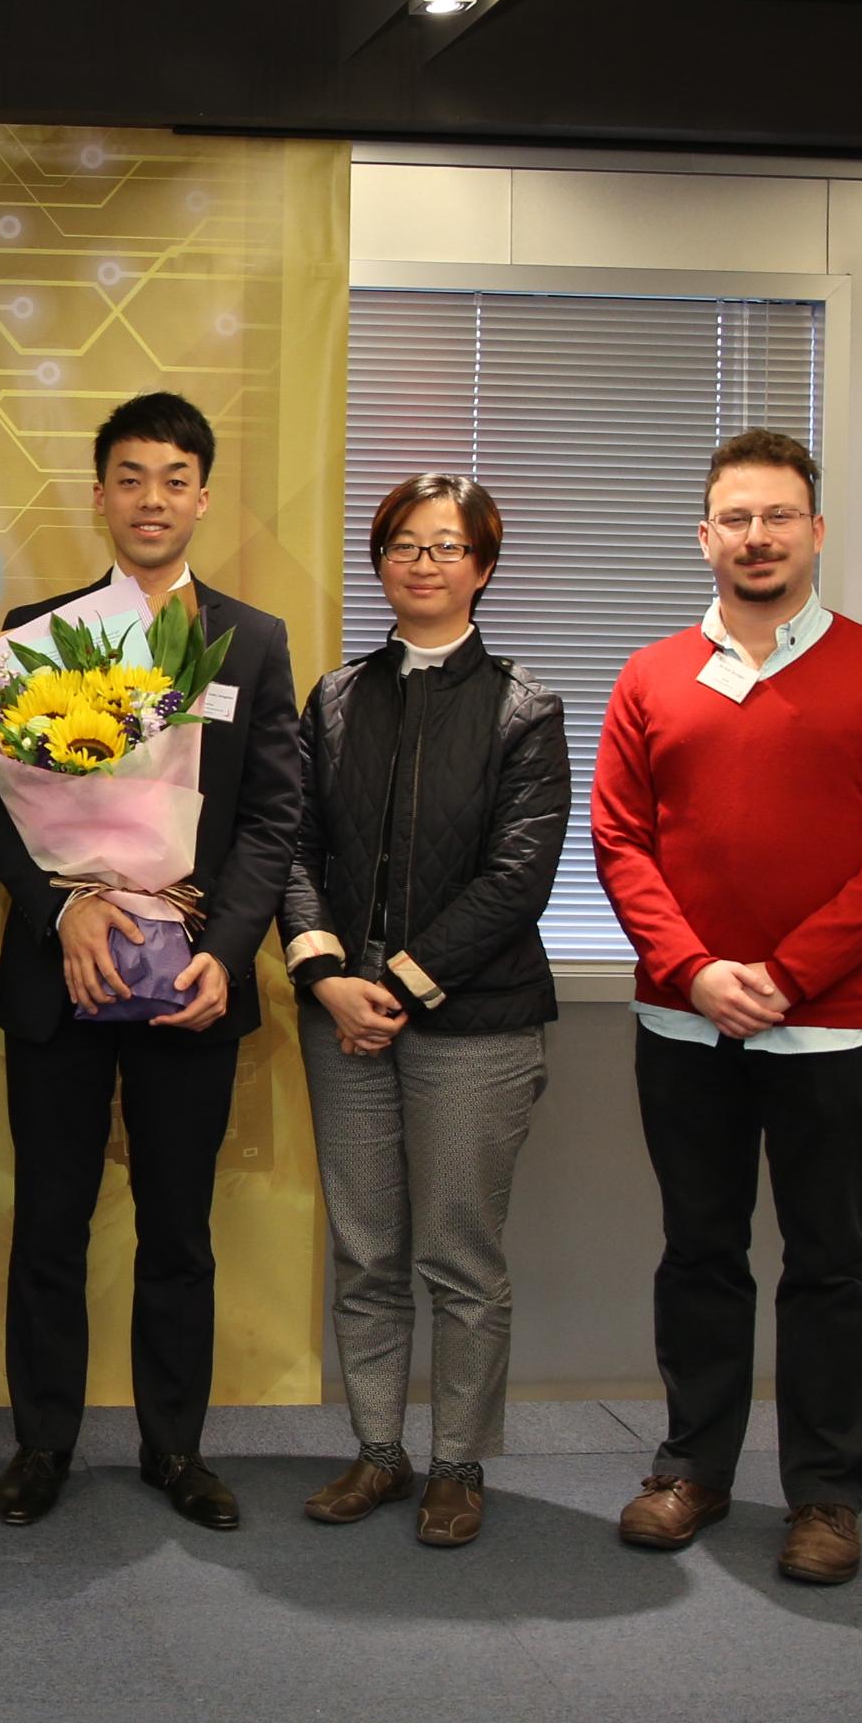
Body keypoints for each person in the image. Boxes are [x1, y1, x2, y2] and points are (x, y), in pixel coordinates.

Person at [591, 429, 862, 1587]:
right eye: (736, 518)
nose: (757, 536)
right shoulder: (650, 675)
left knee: (828, 1260)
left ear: (816, 530)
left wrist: (786, 975)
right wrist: (697, 969)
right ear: (705, 535)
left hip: (829, 1027)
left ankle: (827, 1495)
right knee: (699, 1251)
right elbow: (619, 840)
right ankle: (690, 1469)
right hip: (683, 1022)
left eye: (778, 515)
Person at [0, 391, 301, 1530]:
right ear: (99, 492)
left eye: (174, 478)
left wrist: (229, 948)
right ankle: (43, 1443)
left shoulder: (251, 639)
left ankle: (175, 1448)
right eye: (129, 476)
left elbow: (271, 813)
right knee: (50, 1221)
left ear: (202, 496)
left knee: (179, 1230)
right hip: (61, 974)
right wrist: (57, 908)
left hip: (189, 988)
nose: (151, 498)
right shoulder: (41, 627)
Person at [280, 475, 568, 1548]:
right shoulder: (339, 696)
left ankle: (456, 1461)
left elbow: (517, 875)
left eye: (447, 547)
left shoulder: (525, 707)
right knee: (365, 1250)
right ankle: (376, 1449)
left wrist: (391, 984)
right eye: (403, 544)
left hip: (474, 1026)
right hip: (339, 1018)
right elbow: (294, 847)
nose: (423, 563)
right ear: (380, 561)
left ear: (483, 566)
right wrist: (324, 977)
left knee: (459, 1253)